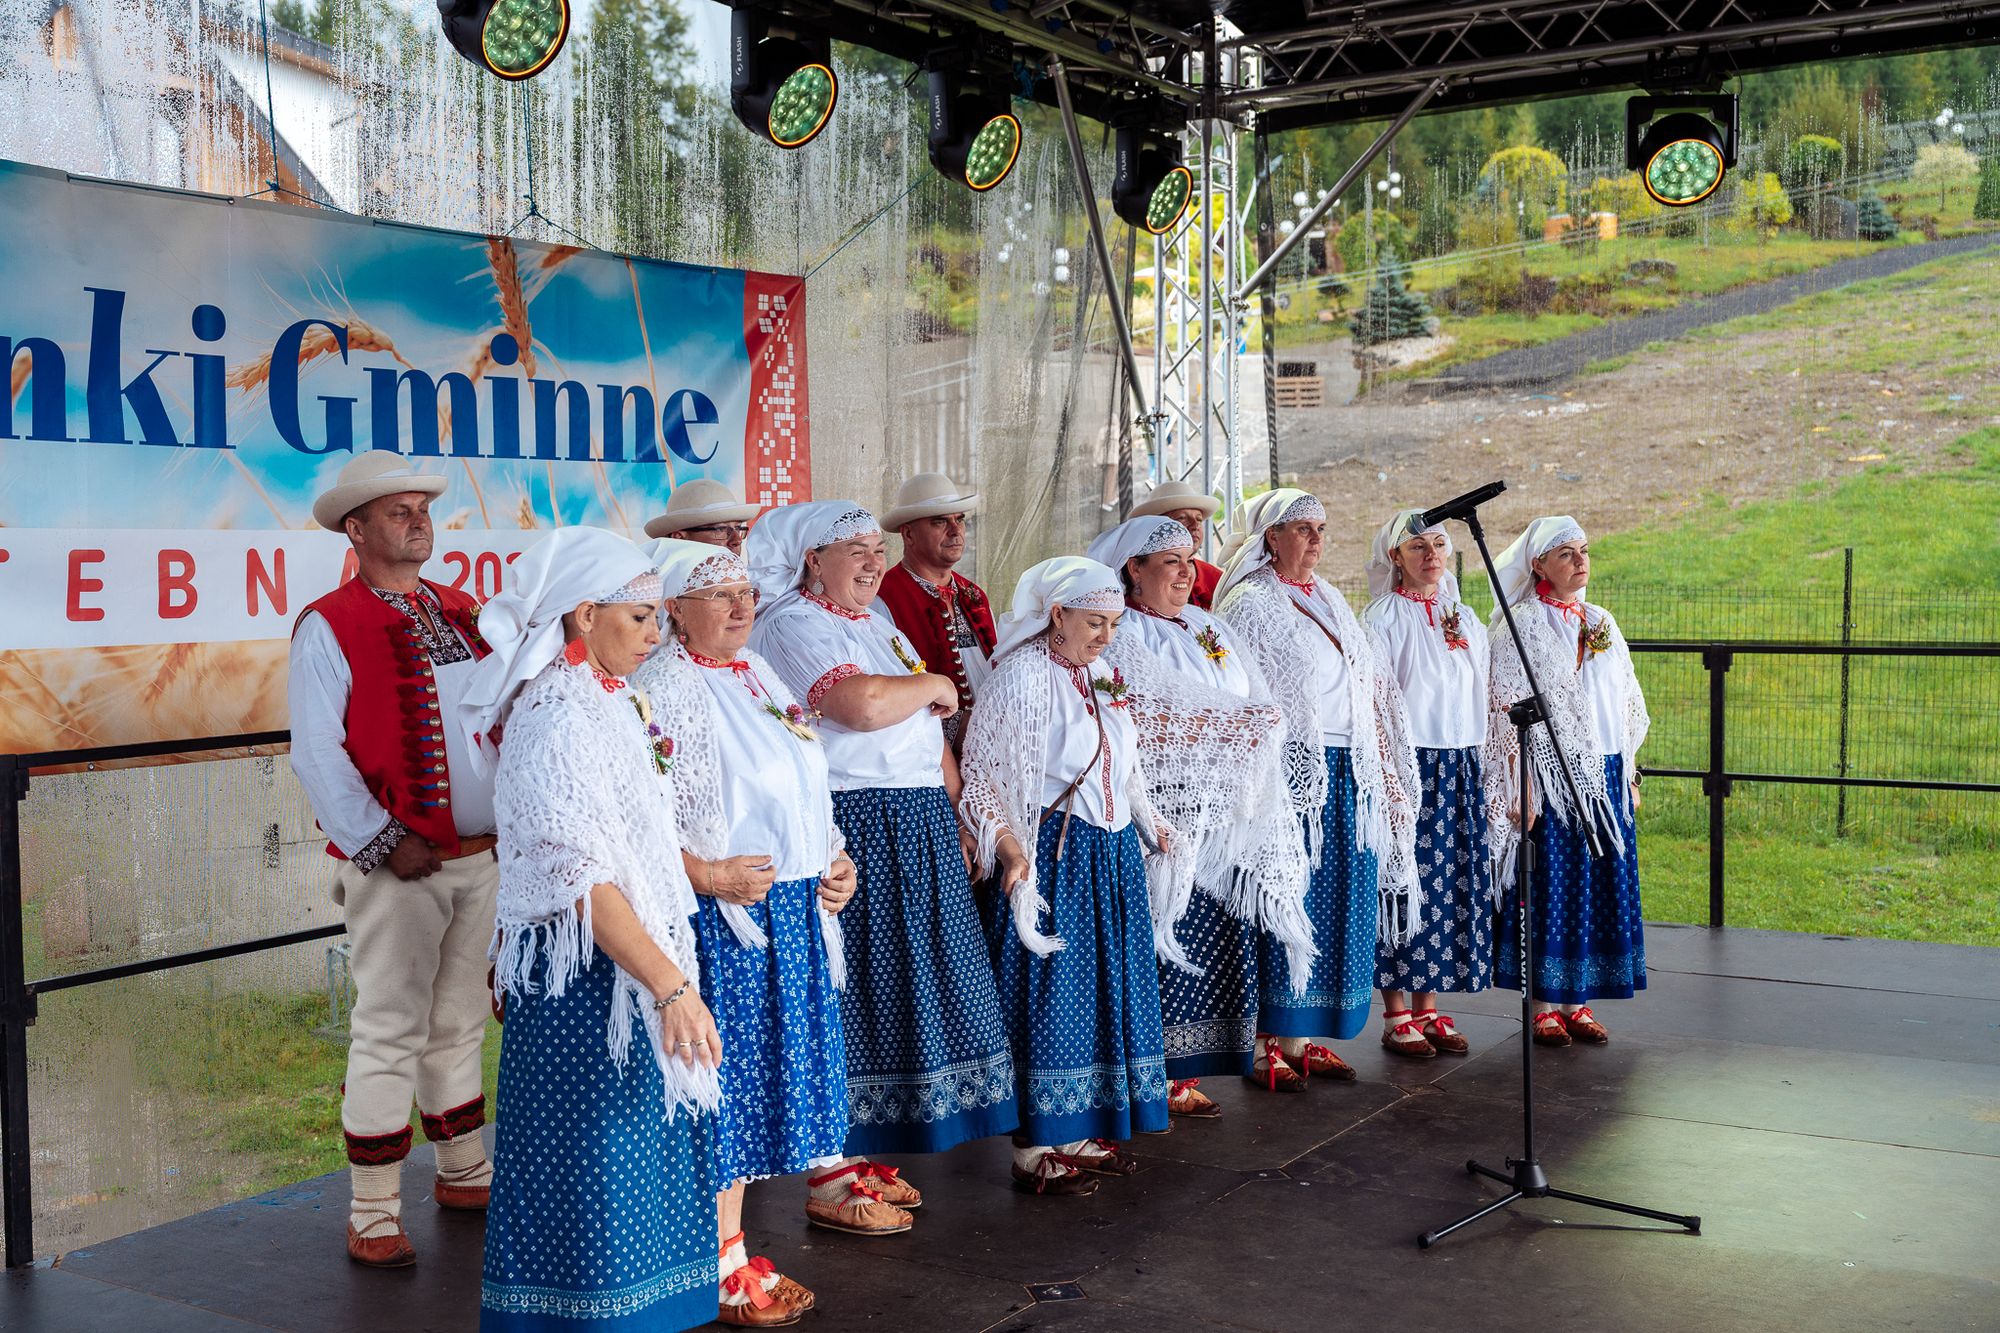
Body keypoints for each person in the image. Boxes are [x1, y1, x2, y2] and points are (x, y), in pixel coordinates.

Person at [462, 527, 724, 1333]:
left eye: (657, 617)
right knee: (590, 1173)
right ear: (583, 615)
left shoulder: (607, 697)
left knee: (631, 1162)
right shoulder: (556, 716)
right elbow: (581, 880)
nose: (655, 633)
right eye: (640, 617)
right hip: (587, 980)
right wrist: (669, 984)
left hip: (622, 966)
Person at [632, 539, 873, 1327]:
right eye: (720, 594)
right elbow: (638, 826)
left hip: (788, 910)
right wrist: (708, 876)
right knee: (722, 1096)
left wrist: (834, 858)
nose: (742, 606)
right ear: (675, 609)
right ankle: (718, 1263)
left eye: (746, 591)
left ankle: (725, 1254)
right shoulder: (666, 686)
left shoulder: (757, 671)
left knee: (750, 1094)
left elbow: (805, 786)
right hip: (724, 919)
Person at [746, 503, 1018, 1176]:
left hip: (919, 816)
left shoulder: (879, 623)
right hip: (859, 817)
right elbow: (860, 706)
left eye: (876, 549)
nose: (873, 563)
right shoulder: (791, 622)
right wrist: (932, 684)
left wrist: (958, 812)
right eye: (856, 551)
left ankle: (890, 1136)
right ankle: (837, 1157)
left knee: (927, 980)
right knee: (861, 985)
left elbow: (925, 734)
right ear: (814, 560)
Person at [289, 452, 498, 1268]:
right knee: (389, 1024)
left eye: (422, 508)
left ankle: (463, 1166)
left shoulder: (463, 610)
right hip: (399, 862)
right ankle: (373, 1207)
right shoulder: (328, 623)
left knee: (460, 1016)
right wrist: (383, 839)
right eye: (398, 511)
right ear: (357, 528)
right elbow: (317, 750)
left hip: (480, 855)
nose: (418, 521)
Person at [960, 557, 1177, 1196]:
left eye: (1114, 623)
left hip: (1110, 854)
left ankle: (1078, 1127)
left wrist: (1151, 822)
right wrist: (1010, 852)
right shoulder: (1021, 677)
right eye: (1094, 622)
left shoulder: (1101, 674)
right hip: (1057, 853)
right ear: (1056, 614)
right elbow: (980, 779)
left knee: (1103, 992)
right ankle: (1034, 1145)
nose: (1106, 636)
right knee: (1053, 996)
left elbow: (1123, 764)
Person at [1087, 516, 1307, 1119]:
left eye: (1190, 560)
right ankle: (1160, 1070)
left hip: (1226, 806)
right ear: (1133, 569)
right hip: (1167, 804)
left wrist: (1255, 724)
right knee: (1171, 929)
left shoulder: (1208, 625)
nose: (1186, 572)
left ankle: (1203, 1060)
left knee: (1220, 937)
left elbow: (1257, 695)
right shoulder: (1122, 632)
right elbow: (1144, 714)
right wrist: (1236, 725)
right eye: (1170, 562)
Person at [1213, 489, 1421, 1093]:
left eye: (1321, 529)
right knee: (1286, 895)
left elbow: (1368, 685)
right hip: (1290, 768)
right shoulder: (1251, 602)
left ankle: (1300, 1039)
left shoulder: (1329, 597)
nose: (1315, 539)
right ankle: (1264, 1042)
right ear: (1271, 537)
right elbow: (1240, 691)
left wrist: (1383, 765)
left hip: (1348, 769)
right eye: (1302, 528)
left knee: (1335, 899)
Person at [1484, 516, 1650, 1048]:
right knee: (1552, 888)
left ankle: (1577, 1002)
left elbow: (1624, 700)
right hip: (1550, 774)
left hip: (1604, 772)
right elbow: (1503, 707)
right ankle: (1543, 1007)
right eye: (1566, 554)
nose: (1580, 561)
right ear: (1538, 565)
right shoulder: (1520, 626)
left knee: (1593, 886)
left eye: (1584, 551)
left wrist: (1629, 772)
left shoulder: (1601, 620)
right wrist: (1520, 782)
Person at [1362, 510, 1494, 1060]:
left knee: (1447, 884)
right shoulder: (1383, 619)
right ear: (1395, 556)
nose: (1431, 555)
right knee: (1405, 883)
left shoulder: (1462, 617)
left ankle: (1428, 1007)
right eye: (1417, 546)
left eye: (1438, 544)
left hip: (1460, 763)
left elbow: (1482, 688)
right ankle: (1396, 1014)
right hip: (1412, 763)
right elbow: (1375, 703)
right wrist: (1389, 774)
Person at [875, 471, 996, 748]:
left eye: (959, 520)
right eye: (940, 522)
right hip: (927, 750)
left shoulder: (974, 595)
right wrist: (957, 729)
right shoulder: (884, 599)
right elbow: (889, 693)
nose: (955, 531)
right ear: (908, 534)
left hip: (991, 742)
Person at [1128, 479, 1224, 610]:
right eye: (1182, 518)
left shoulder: (1214, 578)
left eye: (1199, 519)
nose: (1195, 526)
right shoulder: (1124, 578)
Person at [643, 478, 761, 557]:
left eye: (738, 528)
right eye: (720, 529)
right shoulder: (652, 584)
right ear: (678, 538)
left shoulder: (745, 584)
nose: (737, 540)